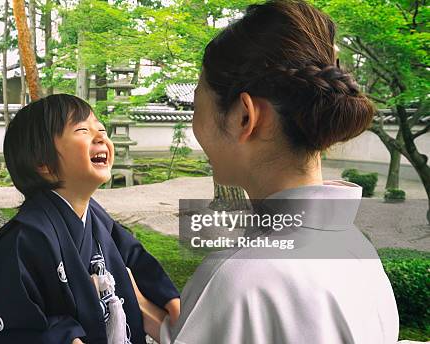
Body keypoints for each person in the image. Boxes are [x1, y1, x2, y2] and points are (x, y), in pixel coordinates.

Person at [157, 1, 400, 343]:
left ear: (245, 117)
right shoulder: (358, 249)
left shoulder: (239, 278)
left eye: (198, 104)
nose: (194, 125)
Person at [0, 94, 180, 344]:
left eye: (101, 129)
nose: (101, 137)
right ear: (44, 164)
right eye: (83, 130)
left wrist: (169, 298)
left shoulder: (96, 216)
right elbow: (10, 326)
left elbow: (134, 257)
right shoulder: (24, 239)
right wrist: (63, 337)